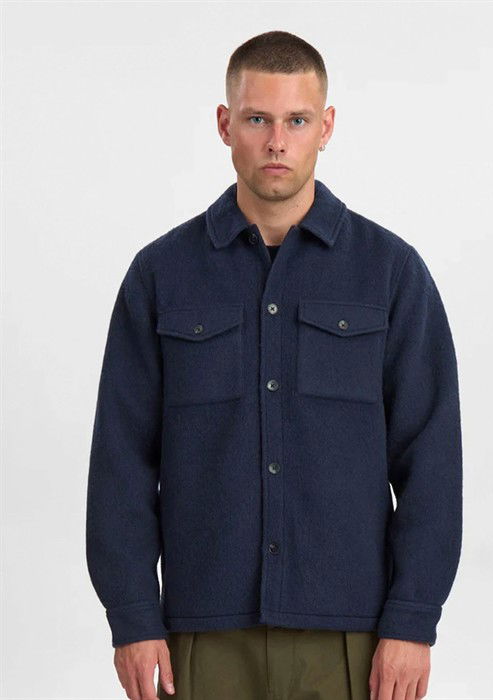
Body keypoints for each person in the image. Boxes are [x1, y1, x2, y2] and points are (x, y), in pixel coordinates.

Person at [85, 30, 463, 700]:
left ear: (327, 127)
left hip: (350, 638)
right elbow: (122, 462)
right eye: (258, 119)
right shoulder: (161, 275)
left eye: (297, 120)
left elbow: (430, 461)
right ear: (225, 125)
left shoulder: (391, 274)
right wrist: (132, 616)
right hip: (201, 635)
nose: (278, 143)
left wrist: (413, 620)